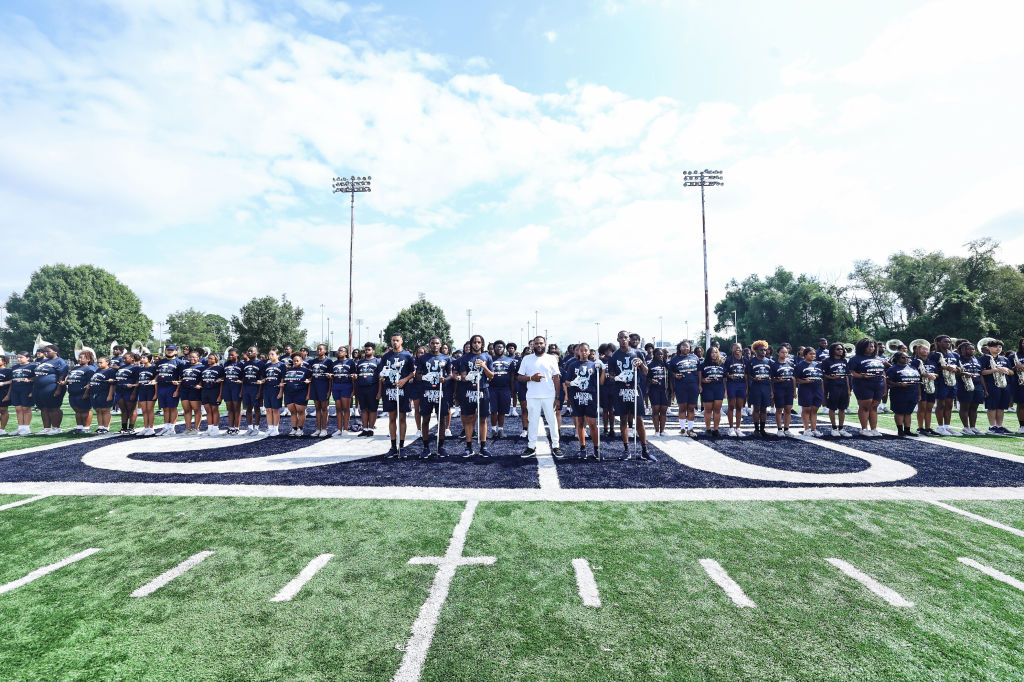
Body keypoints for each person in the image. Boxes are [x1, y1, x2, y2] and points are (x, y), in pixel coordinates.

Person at [609, 330, 653, 461]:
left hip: (635, 389)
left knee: (639, 419)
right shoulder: (614, 356)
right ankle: (626, 449)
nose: (623, 339)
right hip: (621, 389)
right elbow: (611, 376)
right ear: (617, 339)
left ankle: (645, 450)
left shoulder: (638, 353)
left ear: (629, 339)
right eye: (621, 337)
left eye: (626, 337)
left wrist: (641, 364)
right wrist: (617, 377)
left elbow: (646, 372)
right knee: (623, 419)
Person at [517, 335, 562, 458]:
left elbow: (556, 378)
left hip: (549, 395)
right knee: (532, 421)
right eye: (536, 343)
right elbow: (519, 377)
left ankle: (556, 446)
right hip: (532, 395)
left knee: (552, 421)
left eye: (541, 343)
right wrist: (531, 378)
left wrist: (557, 397)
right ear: (533, 345)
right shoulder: (527, 359)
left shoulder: (551, 358)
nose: (539, 345)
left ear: (545, 344)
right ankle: (531, 447)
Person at [378, 334, 416, 457]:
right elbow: (382, 372)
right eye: (393, 340)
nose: (395, 342)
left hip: (403, 390)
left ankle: (402, 446)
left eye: (397, 340)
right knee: (392, 418)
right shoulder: (386, 356)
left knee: (402, 418)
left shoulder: (407, 355)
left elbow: (413, 372)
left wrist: (404, 380)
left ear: (401, 341)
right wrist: (382, 377)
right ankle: (393, 446)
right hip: (389, 389)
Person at [457, 334, 494, 458]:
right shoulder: (465, 358)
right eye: (474, 342)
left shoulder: (487, 357)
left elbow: (491, 376)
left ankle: (483, 447)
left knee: (483, 418)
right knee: (469, 418)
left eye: (478, 342)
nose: (476, 344)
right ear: (471, 344)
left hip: (483, 390)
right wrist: (468, 376)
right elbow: (462, 377)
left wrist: (483, 366)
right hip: (469, 391)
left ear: (482, 344)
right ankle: (468, 447)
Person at [417, 336, 453, 457]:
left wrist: (445, 379)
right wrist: (424, 377)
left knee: (441, 419)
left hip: (441, 392)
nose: (435, 345)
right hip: (427, 392)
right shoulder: (423, 358)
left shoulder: (446, 358)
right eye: (432, 343)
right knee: (425, 419)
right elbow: (417, 375)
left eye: (437, 343)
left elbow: (450, 375)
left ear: (441, 345)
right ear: (429, 344)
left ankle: (441, 446)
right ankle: (426, 447)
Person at [565, 342, 603, 459]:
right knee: (580, 422)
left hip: (590, 396)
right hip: (577, 396)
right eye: (581, 350)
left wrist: (603, 369)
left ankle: (596, 449)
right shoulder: (572, 365)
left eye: (586, 350)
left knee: (592, 423)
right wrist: (572, 383)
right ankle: (582, 448)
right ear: (577, 352)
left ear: (589, 351)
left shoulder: (594, 365)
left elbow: (600, 383)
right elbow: (566, 382)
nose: (583, 352)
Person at [847, 337, 886, 437]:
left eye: (873, 346)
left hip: (879, 384)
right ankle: (864, 429)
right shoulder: (855, 359)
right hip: (863, 384)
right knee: (865, 406)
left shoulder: (879, 358)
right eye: (869, 347)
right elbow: (852, 372)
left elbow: (883, 372)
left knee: (874, 407)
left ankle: (874, 429)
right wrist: (863, 376)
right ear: (862, 347)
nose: (871, 348)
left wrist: (885, 386)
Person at [980, 339, 1014, 435]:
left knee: (1001, 407)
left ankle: (999, 426)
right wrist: (996, 370)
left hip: (1004, 385)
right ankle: (992, 427)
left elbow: (1012, 372)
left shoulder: (1005, 359)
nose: (998, 348)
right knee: (992, 407)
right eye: (995, 347)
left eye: (1000, 347)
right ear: (989, 348)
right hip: (991, 384)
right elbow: (982, 372)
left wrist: (1006, 369)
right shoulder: (985, 358)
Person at [928, 335, 961, 436]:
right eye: (945, 342)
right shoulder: (934, 355)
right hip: (941, 382)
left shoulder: (954, 355)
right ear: (938, 343)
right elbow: (931, 369)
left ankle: (947, 427)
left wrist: (955, 368)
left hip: (952, 382)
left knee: (949, 405)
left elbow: (960, 368)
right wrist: (945, 368)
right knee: (941, 404)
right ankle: (940, 427)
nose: (948, 344)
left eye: (949, 342)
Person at [33, 345, 69, 435]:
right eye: (45, 351)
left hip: (52, 387)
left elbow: (62, 376)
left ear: (55, 352)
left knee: (54, 408)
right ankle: (46, 428)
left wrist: (58, 389)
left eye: (48, 351)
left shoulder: (60, 361)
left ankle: (56, 428)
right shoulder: (43, 361)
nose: (45, 353)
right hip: (39, 388)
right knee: (43, 408)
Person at [885, 351, 922, 437]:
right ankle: (900, 430)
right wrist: (899, 384)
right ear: (897, 358)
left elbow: (918, 382)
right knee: (900, 412)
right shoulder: (893, 369)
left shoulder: (913, 368)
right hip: (899, 393)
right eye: (903, 357)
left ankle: (907, 430)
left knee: (908, 412)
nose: (906, 359)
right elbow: (887, 381)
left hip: (913, 393)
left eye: (907, 357)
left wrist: (919, 394)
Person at [667, 341, 699, 437]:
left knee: (691, 408)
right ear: (680, 348)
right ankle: (682, 429)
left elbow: (700, 371)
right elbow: (670, 372)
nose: (685, 348)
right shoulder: (675, 359)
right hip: (681, 386)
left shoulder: (695, 357)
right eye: (683, 346)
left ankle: (690, 429)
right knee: (682, 408)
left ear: (690, 348)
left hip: (693, 386)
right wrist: (675, 375)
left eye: (687, 346)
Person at [62, 349, 97, 434]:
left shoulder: (90, 369)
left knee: (85, 410)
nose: (79, 359)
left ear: (88, 359)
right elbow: (70, 377)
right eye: (79, 357)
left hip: (82, 393)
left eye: (82, 358)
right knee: (77, 411)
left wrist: (86, 393)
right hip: (73, 393)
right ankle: (79, 427)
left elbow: (90, 382)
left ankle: (86, 428)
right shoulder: (75, 367)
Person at [821, 343, 852, 437]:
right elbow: (823, 374)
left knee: (842, 408)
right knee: (832, 408)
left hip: (843, 386)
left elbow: (846, 376)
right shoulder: (827, 361)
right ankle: (834, 428)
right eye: (838, 349)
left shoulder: (844, 361)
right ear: (833, 350)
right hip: (833, 386)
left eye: (841, 349)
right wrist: (832, 377)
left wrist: (848, 389)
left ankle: (841, 428)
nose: (840, 350)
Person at [956, 342, 986, 435]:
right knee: (965, 407)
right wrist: (964, 374)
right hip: (964, 385)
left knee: (974, 408)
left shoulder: (976, 359)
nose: (971, 351)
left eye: (973, 349)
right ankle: (966, 427)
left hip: (977, 385)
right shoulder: (958, 360)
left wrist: (985, 389)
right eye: (969, 349)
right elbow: (955, 373)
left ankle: (973, 427)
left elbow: (980, 375)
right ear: (962, 350)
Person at [154, 345, 184, 436]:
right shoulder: (161, 361)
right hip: (161, 386)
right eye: (168, 350)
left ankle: (172, 428)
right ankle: (166, 427)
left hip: (172, 387)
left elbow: (182, 377)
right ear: (165, 351)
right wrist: (154, 380)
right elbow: (158, 373)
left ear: (175, 351)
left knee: (172, 407)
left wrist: (177, 389)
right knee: (165, 408)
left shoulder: (179, 362)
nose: (169, 351)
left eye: (171, 350)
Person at [910, 342, 938, 436]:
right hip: (921, 386)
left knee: (929, 409)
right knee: (922, 408)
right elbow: (913, 374)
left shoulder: (932, 362)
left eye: (927, 349)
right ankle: (920, 428)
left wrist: (933, 375)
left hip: (931, 386)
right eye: (923, 349)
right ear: (918, 351)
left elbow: (937, 373)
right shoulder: (915, 362)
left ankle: (928, 427)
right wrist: (925, 375)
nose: (925, 351)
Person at [488, 340, 515, 438]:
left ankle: (501, 430)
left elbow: (512, 376)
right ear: (494, 348)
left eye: (501, 347)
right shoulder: (490, 359)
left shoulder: (509, 360)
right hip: (492, 388)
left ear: (504, 348)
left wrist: (512, 390)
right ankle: (493, 430)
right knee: (494, 410)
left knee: (502, 410)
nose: (499, 348)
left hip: (505, 388)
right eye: (497, 347)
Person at [795, 347, 825, 436]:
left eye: (814, 354)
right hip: (805, 390)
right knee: (806, 409)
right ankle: (806, 429)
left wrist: (822, 391)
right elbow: (796, 379)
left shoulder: (818, 365)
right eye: (810, 354)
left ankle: (814, 429)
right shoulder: (800, 365)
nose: (813, 356)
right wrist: (804, 381)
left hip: (817, 389)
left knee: (815, 409)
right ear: (805, 355)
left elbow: (821, 379)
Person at [281, 352, 312, 436]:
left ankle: (300, 429)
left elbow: (310, 383)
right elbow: (284, 381)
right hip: (289, 393)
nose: (295, 362)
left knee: (301, 412)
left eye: (297, 361)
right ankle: (294, 428)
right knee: (293, 412)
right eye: (294, 361)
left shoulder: (307, 371)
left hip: (301, 393)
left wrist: (308, 394)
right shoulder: (288, 370)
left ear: (301, 361)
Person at [746, 341, 773, 437]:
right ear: (756, 350)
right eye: (761, 350)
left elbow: (771, 376)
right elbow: (748, 375)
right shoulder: (751, 361)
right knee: (756, 408)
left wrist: (771, 390)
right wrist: (754, 379)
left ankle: (762, 429)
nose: (763, 352)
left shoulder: (769, 361)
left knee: (764, 409)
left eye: (765, 350)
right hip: (756, 386)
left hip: (765, 386)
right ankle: (756, 429)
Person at [698, 345, 726, 437]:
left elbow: (724, 378)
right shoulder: (703, 364)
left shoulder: (722, 364)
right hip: (707, 389)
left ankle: (716, 429)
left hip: (719, 388)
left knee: (717, 410)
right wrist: (703, 381)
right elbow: (699, 378)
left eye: (715, 352)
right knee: (708, 410)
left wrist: (725, 390)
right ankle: (708, 429)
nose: (714, 354)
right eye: (712, 353)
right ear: (708, 354)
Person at [307, 344, 334, 438]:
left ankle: (324, 429)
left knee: (324, 408)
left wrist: (329, 391)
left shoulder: (329, 361)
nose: (318, 351)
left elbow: (331, 378)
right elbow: (311, 374)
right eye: (317, 349)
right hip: (315, 386)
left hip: (324, 386)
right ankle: (318, 429)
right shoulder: (313, 361)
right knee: (317, 408)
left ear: (325, 351)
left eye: (320, 349)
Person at [354, 342, 381, 437]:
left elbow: (380, 378)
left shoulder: (377, 361)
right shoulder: (360, 362)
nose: (367, 351)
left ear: (373, 350)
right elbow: (357, 375)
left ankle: (370, 429)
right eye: (365, 350)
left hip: (373, 387)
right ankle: (365, 429)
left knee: (373, 409)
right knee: (364, 409)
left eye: (369, 349)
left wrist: (379, 391)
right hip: (361, 388)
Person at [258, 348, 287, 436]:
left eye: (272, 354)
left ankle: (276, 429)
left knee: (275, 410)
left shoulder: (281, 365)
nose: (270, 356)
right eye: (269, 354)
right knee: (268, 409)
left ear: (278, 355)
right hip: (267, 389)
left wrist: (281, 392)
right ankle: (270, 428)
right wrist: (261, 381)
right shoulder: (267, 365)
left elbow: (282, 379)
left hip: (276, 389)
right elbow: (265, 378)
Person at [84, 356, 116, 434]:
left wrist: (110, 395)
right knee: (98, 410)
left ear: (107, 362)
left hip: (104, 393)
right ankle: (100, 427)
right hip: (95, 393)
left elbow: (113, 384)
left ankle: (106, 428)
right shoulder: (98, 370)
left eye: (101, 362)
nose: (99, 364)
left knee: (105, 410)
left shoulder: (111, 371)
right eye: (98, 362)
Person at [330, 346, 355, 438]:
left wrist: (353, 389)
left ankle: (345, 429)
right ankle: (339, 429)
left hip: (346, 386)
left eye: (341, 350)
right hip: (336, 386)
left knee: (346, 408)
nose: (339, 352)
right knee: (338, 409)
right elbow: (332, 376)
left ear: (346, 353)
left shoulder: (350, 362)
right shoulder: (334, 363)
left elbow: (353, 376)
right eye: (338, 350)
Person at [723, 343, 747, 437]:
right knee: (731, 406)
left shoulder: (745, 360)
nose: (737, 349)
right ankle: (731, 428)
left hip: (741, 384)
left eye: (739, 347)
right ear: (732, 349)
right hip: (732, 384)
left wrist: (747, 388)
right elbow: (725, 374)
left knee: (739, 407)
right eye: (735, 347)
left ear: (742, 349)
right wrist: (729, 375)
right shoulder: (728, 360)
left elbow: (746, 375)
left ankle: (738, 428)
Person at [770, 346, 796, 437]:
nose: (784, 354)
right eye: (782, 352)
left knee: (788, 409)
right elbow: (771, 379)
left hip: (789, 389)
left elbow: (793, 378)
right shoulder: (774, 365)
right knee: (779, 409)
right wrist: (777, 382)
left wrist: (794, 391)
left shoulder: (790, 364)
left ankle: (786, 429)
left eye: (786, 352)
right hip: (779, 389)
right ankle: (779, 429)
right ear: (778, 353)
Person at [113, 352, 141, 435]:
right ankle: (123, 428)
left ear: (132, 358)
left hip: (130, 391)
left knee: (131, 409)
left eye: (126, 358)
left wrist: (134, 392)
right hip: (119, 390)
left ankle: (131, 428)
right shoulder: (122, 367)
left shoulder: (136, 368)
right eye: (123, 358)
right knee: (123, 410)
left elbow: (137, 381)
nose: (123, 360)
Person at [178, 351, 205, 435]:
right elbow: (181, 378)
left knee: (197, 410)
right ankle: (188, 428)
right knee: (186, 410)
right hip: (184, 389)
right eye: (190, 357)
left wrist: (199, 384)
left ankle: (196, 429)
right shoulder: (184, 366)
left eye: (194, 357)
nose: (192, 359)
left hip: (195, 390)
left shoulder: (202, 367)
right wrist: (178, 382)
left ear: (198, 357)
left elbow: (202, 379)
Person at [240, 346, 264, 435]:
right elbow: (243, 378)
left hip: (256, 388)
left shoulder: (260, 363)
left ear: (256, 352)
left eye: (251, 351)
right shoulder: (244, 364)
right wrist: (242, 391)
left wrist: (259, 392)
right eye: (248, 351)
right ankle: (250, 428)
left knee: (257, 409)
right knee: (248, 408)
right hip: (247, 388)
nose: (249, 353)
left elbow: (262, 379)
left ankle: (256, 428)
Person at [200, 353, 225, 436]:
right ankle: (209, 428)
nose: (209, 360)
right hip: (205, 391)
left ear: (216, 360)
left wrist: (220, 395)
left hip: (215, 391)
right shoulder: (204, 367)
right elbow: (201, 379)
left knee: (214, 410)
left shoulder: (220, 368)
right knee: (208, 410)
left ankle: (215, 428)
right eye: (209, 358)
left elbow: (222, 382)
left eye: (211, 359)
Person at [646, 348, 669, 437]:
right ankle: (656, 431)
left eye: (661, 354)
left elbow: (670, 378)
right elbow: (646, 377)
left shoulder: (666, 365)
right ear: (654, 355)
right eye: (658, 354)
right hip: (654, 390)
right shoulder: (650, 365)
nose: (660, 356)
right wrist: (651, 381)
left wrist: (672, 391)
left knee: (663, 411)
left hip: (665, 390)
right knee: (655, 410)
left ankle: (662, 431)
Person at [221, 348, 244, 435]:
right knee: (229, 409)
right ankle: (230, 427)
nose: (230, 356)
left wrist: (241, 390)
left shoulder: (241, 364)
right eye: (229, 355)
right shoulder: (226, 364)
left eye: (232, 355)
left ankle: (237, 428)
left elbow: (243, 378)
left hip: (236, 388)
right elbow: (224, 375)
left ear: (237, 355)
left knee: (237, 408)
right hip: (227, 387)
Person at [136, 353, 158, 435]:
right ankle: (146, 428)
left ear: (149, 359)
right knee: (144, 410)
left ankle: (151, 428)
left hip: (150, 391)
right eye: (141, 358)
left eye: (144, 358)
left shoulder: (153, 368)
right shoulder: (140, 369)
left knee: (150, 410)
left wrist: (156, 393)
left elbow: (156, 380)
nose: (142, 359)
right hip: (142, 390)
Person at [0, 355, 12, 435]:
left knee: (3, 410)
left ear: (4, 361)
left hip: (3, 392)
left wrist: (8, 395)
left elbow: (12, 381)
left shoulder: (8, 371)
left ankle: (2, 429)